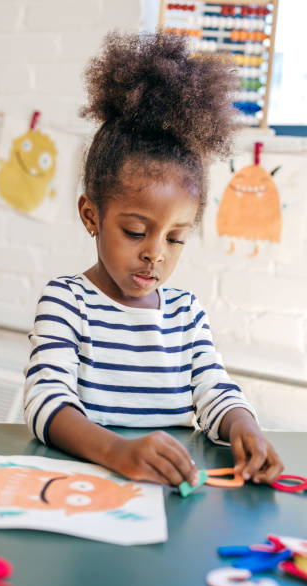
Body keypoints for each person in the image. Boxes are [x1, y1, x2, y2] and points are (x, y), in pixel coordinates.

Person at [24, 32, 283, 489]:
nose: (155, 253)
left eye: (177, 238)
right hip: (90, 490)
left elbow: (214, 391)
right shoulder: (67, 301)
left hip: (170, 494)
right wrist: (116, 451)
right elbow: (46, 401)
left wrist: (244, 425)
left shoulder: (185, 313)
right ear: (92, 216)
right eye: (136, 232)